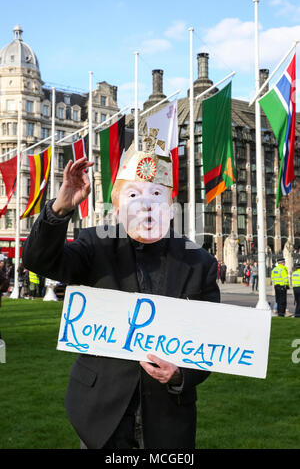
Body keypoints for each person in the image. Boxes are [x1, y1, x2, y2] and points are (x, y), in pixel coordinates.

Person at [22, 133, 220, 450]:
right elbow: (39, 261)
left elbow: (212, 341)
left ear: (171, 208)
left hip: (167, 419)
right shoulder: (94, 244)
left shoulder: (200, 263)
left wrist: (181, 375)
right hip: (101, 413)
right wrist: (60, 208)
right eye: (133, 195)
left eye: (157, 194)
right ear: (116, 207)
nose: (146, 205)